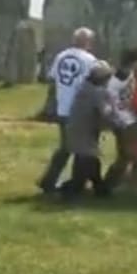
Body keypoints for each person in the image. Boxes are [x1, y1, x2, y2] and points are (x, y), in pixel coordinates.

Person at [37, 27, 98, 194]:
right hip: (80, 110)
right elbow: (94, 84)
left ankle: (50, 180)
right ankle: (74, 184)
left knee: (66, 147)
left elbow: (52, 81)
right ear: (87, 42)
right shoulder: (89, 60)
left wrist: (51, 105)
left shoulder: (61, 56)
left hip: (62, 108)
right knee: (80, 148)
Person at [59, 60, 126, 199]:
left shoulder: (85, 86)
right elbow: (106, 113)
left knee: (90, 161)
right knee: (86, 162)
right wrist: (119, 120)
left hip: (76, 128)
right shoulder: (96, 92)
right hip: (83, 132)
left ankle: (99, 189)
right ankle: (72, 190)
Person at [104, 47, 137, 194]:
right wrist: (118, 107)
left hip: (125, 120)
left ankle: (109, 185)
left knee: (124, 156)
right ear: (136, 62)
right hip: (125, 122)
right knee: (136, 154)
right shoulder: (122, 75)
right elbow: (110, 91)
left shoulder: (129, 74)